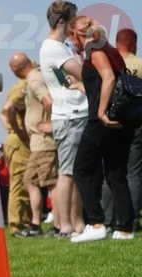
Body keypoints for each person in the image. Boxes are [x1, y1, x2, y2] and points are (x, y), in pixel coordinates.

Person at [68, 16, 137, 242]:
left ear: (75, 35)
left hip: (102, 120)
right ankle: (125, 228)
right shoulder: (109, 48)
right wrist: (81, 86)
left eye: (72, 39)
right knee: (116, 173)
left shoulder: (93, 49)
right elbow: (108, 80)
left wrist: (100, 112)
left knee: (80, 169)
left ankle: (96, 223)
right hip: (121, 120)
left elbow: (107, 78)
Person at [39, 1, 88, 238]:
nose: (76, 25)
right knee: (68, 172)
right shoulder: (54, 48)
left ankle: (76, 223)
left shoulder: (59, 46)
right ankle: (66, 225)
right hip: (70, 115)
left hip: (71, 114)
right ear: (62, 22)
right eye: (73, 20)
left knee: (73, 171)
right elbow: (82, 74)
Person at [21, 54, 57, 237]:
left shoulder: (34, 80)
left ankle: (59, 224)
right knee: (30, 180)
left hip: (44, 143)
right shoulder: (35, 78)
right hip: (37, 143)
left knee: (51, 183)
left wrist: (53, 123)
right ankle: (35, 224)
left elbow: (48, 100)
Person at [1, 52, 34, 235]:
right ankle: (17, 225)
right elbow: (7, 109)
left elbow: (2, 112)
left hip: (17, 139)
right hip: (19, 141)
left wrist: (11, 129)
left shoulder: (18, 86)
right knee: (19, 183)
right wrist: (17, 130)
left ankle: (24, 222)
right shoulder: (22, 87)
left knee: (25, 181)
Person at [119, 28, 142, 228]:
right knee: (134, 171)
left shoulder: (109, 63)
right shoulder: (140, 64)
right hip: (137, 123)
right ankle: (133, 217)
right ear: (134, 43)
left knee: (112, 170)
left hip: (113, 121)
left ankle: (112, 216)